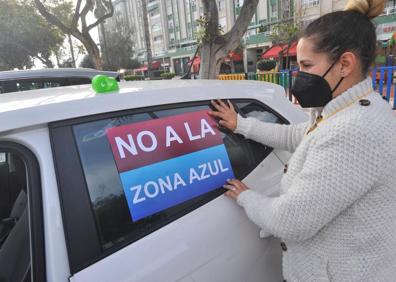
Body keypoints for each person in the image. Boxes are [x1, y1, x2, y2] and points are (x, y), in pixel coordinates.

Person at [208, 0, 396, 280]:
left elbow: (290, 221)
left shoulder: (354, 130)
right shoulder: (353, 107)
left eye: (306, 65)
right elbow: (299, 135)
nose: (299, 75)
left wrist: (246, 196)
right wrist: (242, 125)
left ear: (344, 64)